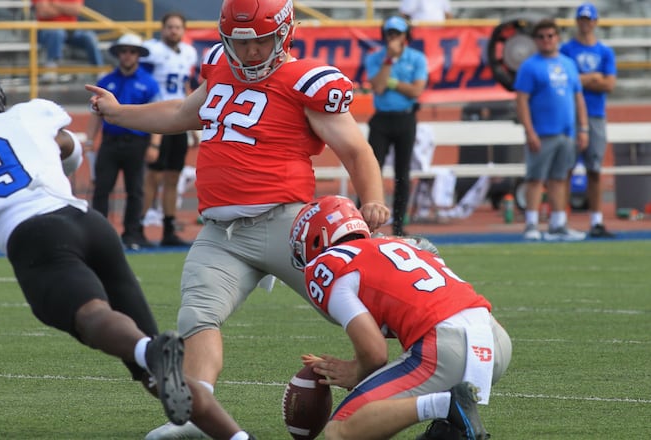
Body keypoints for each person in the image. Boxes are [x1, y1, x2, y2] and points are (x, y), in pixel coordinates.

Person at [0, 60, 255, 440]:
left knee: (94, 319)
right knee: (158, 377)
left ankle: (151, 351)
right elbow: (69, 152)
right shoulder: (31, 114)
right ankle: (236, 436)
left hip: (35, 236)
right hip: (90, 223)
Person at [86, 0, 391, 437]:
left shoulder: (304, 81)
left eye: (260, 41)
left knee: (361, 303)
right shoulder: (219, 67)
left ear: (284, 33)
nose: (249, 53)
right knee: (197, 317)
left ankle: (424, 368)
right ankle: (197, 413)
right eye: (240, 42)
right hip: (220, 233)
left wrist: (373, 199)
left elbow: (356, 150)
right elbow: (179, 114)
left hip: (287, 224)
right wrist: (119, 113)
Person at [289, 195, 512, 440]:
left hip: (449, 347)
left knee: (341, 430)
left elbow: (375, 354)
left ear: (318, 236)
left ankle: (446, 405)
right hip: (495, 338)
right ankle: (451, 426)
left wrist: (356, 371)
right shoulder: (405, 245)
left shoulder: (329, 264)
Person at [84, 33, 161, 250]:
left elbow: (156, 114)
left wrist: (155, 144)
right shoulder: (106, 82)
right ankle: (100, 235)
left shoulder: (149, 83)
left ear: (138, 55)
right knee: (102, 188)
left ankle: (132, 235)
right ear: (118, 54)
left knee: (135, 189)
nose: (127, 55)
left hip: (137, 142)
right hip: (110, 141)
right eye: (124, 51)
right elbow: (94, 114)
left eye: (132, 51)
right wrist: (90, 140)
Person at [515, 18, 589, 241]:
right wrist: (530, 131)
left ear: (557, 38)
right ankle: (531, 223)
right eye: (541, 36)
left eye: (550, 35)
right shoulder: (529, 66)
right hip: (542, 132)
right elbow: (521, 100)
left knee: (559, 178)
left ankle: (558, 223)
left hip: (566, 132)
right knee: (535, 178)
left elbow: (578, 98)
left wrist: (583, 128)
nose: (546, 40)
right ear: (535, 40)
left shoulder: (568, 63)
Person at [140, 12, 200, 247]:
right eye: (170, 27)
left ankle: (168, 228)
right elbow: (143, 83)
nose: (174, 31)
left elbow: (186, 86)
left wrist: (193, 127)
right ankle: (138, 226)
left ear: (183, 30)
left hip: (180, 120)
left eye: (178, 27)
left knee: (173, 176)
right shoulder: (152, 50)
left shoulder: (188, 52)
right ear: (162, 29)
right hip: (157, 118)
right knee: (153, 176)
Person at [365, 16, 428, 236]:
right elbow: (379, 87)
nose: (392, 38)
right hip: (382, 119)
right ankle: (362, 222)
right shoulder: (376, 58)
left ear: (405, 37)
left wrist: (393, 83)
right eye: (389, 34)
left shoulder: (417, 58)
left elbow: (416, 91)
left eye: (397, 34)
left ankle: (399, 225)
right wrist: (389, 62)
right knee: (371, 169)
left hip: (405, 118)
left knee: (403, 173)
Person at [560, 3, 617, 238]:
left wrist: (581, 80)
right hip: (570, 114)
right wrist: (593, 77)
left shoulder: (604, 51)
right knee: (565, 169)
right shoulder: (566, 49)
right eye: (581, 19)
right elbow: (566, 81)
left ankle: (596, 220)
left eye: (588, 19)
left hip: (595, 114)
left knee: (594, 168)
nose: (585, 23)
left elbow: (609, 84)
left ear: (594, 22)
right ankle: (561, 220)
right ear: (577, 22)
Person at [32, 0, 104, 83]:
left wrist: (55, 4)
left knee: (89, 36)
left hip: (70, 30)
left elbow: (76, 10)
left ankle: (99, 70)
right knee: (57, 32)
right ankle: (51, 67)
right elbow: (43, 12)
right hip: (46, 30)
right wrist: (66, 9)